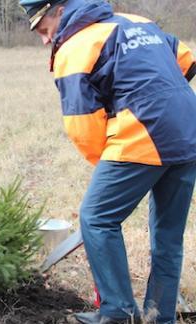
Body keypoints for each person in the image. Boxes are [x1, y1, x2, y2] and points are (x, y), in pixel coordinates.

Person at [19, 0, 196, 322]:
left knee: (96, 218)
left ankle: (117, 314)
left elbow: (83, 125)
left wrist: (107, 165)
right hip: (188, 131)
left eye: (44, 30)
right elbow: (187, 61)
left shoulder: (75, 47)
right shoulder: (137, 21)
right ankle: (161, 316)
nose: (45, 40)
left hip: (144, 131)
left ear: (60, 10)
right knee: (167, 234)